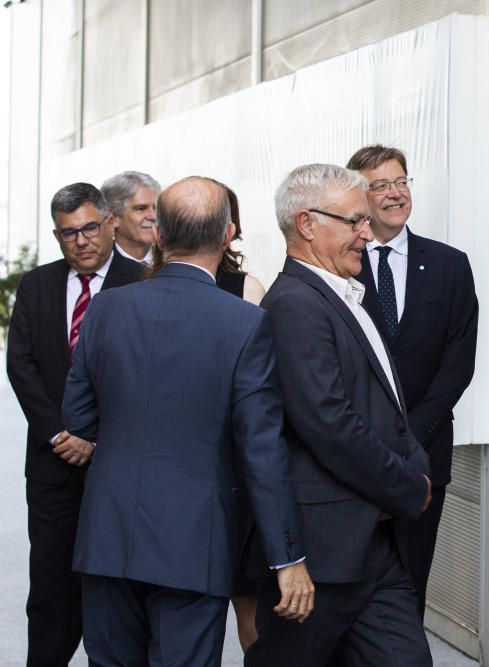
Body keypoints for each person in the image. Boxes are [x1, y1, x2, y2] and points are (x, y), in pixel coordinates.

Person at [61, 176, 314, 665]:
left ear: (158, 234)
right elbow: (262, 449)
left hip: (107, 538)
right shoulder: (244, 322)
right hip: (193, 544)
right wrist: (288, 557)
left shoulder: (106, 309)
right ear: (227, 235)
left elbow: (78, 417)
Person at [245, 163, 432, 666]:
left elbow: (388, 407)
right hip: (323, 555)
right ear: (308, 224)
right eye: (355, 222)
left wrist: (417, 462)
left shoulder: (344, 294)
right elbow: (328, 424)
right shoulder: (294, 305)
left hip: (376, 545)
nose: (368, 235)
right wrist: (408, 484)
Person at [6, 182, 145, 666]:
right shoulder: (37, 285)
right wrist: (60, 434)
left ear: (110, 223)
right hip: (51, 466)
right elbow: (20, 365)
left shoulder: (143, 282)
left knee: (118, 589)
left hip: (119, 466)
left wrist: (95, 437)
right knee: (50, 589)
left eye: (89, 227)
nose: (81, 240)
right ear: (57, 235)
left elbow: (145, 374)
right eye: (69, 233)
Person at [347, 144, 479, 617]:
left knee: (409, 592)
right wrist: (375, 444)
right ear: (358, 197)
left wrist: (410, 439)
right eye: (379, 185)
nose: (394, 194)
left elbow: (458, 365)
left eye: (401, 181)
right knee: (351, 597)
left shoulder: (449, 265)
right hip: (354, 459)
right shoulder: (343, 267)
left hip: (425, 457)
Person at [149, 182, 267, 652]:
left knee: (247, 602)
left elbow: (257, 387)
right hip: (174, 473)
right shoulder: (146, 291)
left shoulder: (247, 290)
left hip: (234, 473)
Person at [101, 170, 161, 264]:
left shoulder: (173, 259)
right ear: (114, 218)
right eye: (141, 209)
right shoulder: (99, 264)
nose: (153, 216)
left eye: (156, 208)